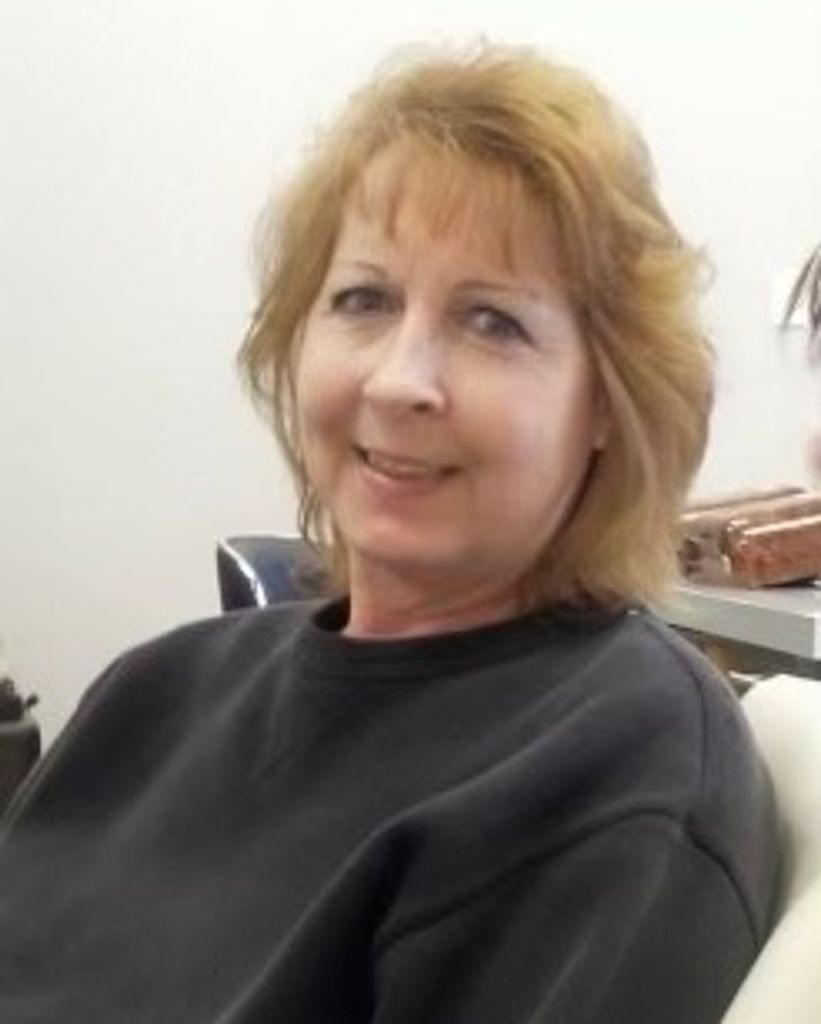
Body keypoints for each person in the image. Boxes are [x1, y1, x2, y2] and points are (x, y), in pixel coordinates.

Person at [0, 43, 778, 1024]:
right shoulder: (153, 692)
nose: (399, 379)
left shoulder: (619, 769)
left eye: (492, 322)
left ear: (605, 405)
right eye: (362, 300)